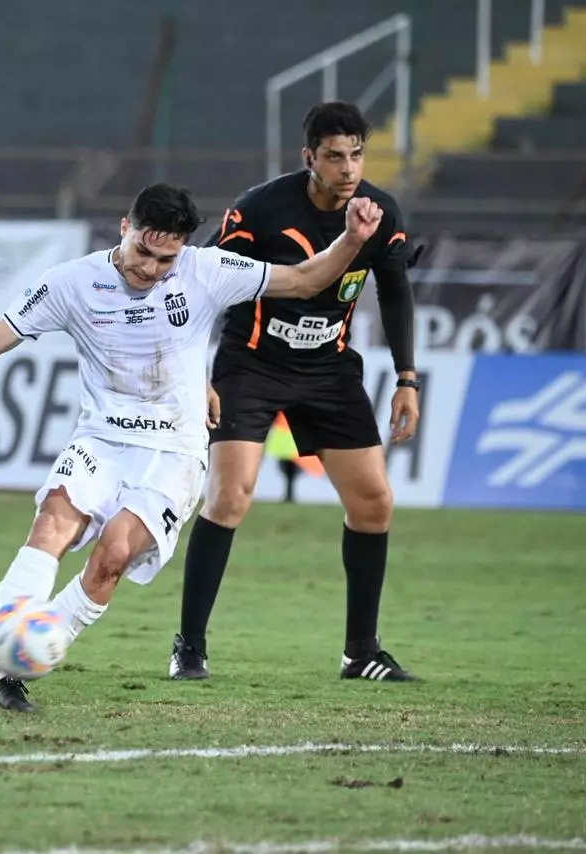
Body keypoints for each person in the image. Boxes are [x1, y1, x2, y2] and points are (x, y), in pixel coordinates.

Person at [0, 182, 384, 712]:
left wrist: (351, 241)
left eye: (165, 259)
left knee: (112, 559)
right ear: (124, 229)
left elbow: (304, 278)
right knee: (53, 522)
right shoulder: (72, 282)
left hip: (175, 452)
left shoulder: (207, 271)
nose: (150, 268)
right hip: (102, 437)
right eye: (143, 252)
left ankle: (7, 664)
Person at [169, 101, 421, 684]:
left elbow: (397, 293)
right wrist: (197, 372)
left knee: (374, 504)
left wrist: (406, 378)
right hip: (251, 365)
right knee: (230, 497)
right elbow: (201, 284)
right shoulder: (258, 210)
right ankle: (190, 646)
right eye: (334, 156)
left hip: (329, 370)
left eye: (356, 154)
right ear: (309, 157)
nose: (348, 168)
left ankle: (360, 653)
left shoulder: (380, 211)